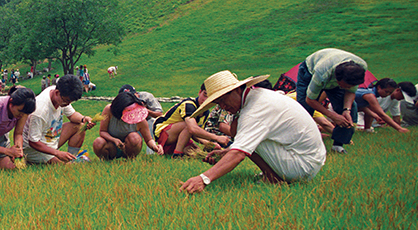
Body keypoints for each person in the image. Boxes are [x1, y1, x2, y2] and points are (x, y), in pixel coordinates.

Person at [180, 70, 326, 193]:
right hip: (306, 160)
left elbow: (239, 153)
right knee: (247, 135)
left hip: (303, 165)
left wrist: (203, 179)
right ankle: (272, 175)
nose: (223, 107)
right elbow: (238, 135)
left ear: (238, 89)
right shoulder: (257, 98)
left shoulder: (255, 110)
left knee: (248, 137)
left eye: (224, 99)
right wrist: (225, 153)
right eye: (218, 103)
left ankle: (273, 178)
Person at [295, 48, 368, 154]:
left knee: (352, 108)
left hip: (333, 68)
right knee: (305, 109)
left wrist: (346, 110)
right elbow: (310, 100)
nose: (346, 88)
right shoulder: (322, 73)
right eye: (345, 86)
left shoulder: (360, 68)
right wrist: (333, 116)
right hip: (310, 70)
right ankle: (301, 145)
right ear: (337, 80)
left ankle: (338, 146)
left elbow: (350, 92)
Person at [23, 74, 94, 164]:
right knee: (62, 165)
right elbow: (33, 142)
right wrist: (57, 153)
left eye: (70, 102)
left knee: (80, 126)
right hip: (35, 149)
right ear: (57, 93)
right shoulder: (40, 111)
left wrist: (84, 119)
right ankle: (65, 162)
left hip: (51, 140)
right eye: (67, 101)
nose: (68, 104)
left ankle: (71, 157)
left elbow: (72, 115)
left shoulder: (59, 93)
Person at [152, 84, 230, 158]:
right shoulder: (189, 105)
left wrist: (210, 144)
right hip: (164, 133)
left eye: (209, 98)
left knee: (198, 154)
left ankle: (174, 151)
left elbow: (196, 134)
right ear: (200, 92)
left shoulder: (206, 113)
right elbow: (192, 129)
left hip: (180, 138)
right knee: (188, 125)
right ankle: (177, 155)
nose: (205, 100)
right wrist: (217, 138)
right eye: (205, 95)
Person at [93, 89, 163, 160]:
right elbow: (102, 131)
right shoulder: (108, 110)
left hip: (129, 146)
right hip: (112, 145)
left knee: (135, 137)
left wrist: (155, 147)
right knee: (98, 142)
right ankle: (107, 159)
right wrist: (114, 140)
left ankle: (130, 158)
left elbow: (148, 140)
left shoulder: (139, 116)